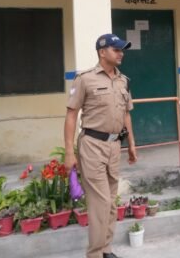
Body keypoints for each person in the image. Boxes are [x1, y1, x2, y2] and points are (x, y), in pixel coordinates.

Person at [64, 34, 138, 258]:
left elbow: (126, 115)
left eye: (122, 50)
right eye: (116, 49)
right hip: (92, 145)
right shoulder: (85, 79)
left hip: (114, 146)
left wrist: (131, 144)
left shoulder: (123, 80)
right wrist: (69, 152)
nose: (121, 53)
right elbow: (71, 115)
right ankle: (95, 254)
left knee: (111, 202)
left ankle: (106, 249)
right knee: (101, 202)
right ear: (102, 52)